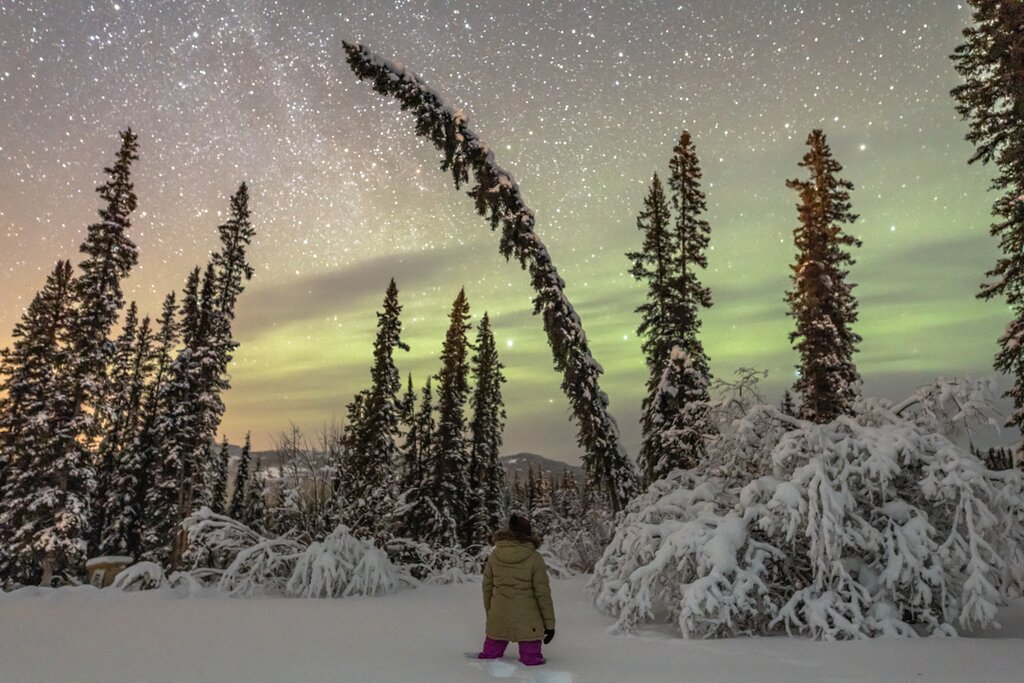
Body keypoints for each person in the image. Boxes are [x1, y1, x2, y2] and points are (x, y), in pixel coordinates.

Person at [478, 513, 556, 666]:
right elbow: (543, 594)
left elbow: (487, 587)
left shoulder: (495, 555)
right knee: (532, 662)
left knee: (489, 659)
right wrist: (549, 625)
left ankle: (480, 676)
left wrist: (491, 613)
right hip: (528, 620)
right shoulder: (535, 558)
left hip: (499, 613)